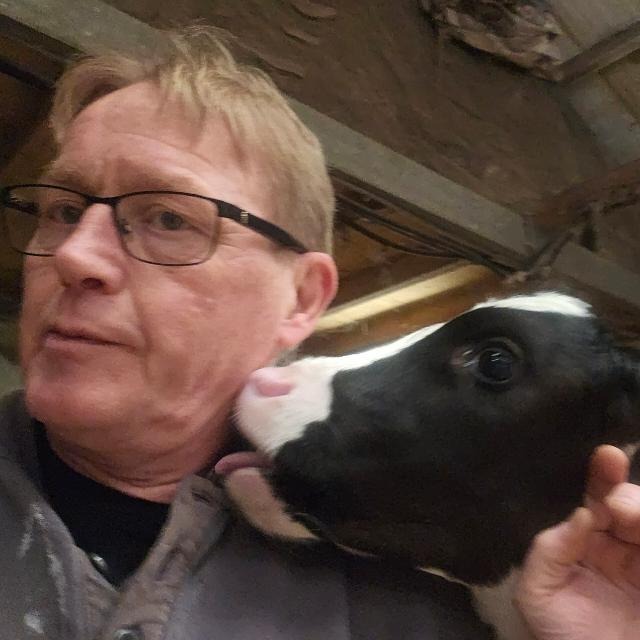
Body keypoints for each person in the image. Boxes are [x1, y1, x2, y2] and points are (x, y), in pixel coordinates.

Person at [0, 25, 636, 640]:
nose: (74, 255)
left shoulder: (431, 597)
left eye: (168, 218)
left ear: (301, 298)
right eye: (64, 210)